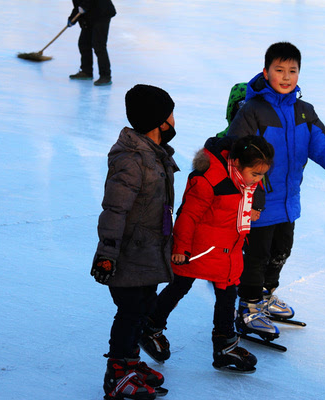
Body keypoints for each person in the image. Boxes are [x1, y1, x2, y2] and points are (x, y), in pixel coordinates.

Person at [226, 41, 325, 340]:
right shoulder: (252, 112)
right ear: (266, 71)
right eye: (279, 70)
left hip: (288, 203)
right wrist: (253, 196)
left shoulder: (303, 113)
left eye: (292, 71)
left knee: (281, 252)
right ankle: (248, 307)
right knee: (256, 257)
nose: (285, 77)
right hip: (258, 204)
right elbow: (235, 157)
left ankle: (265, 295)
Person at [139, 134, 274, 373]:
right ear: (237, 163)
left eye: (262, 174)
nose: (259, 180)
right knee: (180, 285)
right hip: (198, 249)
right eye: (255, 174)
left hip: (227, 250)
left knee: (227, 296)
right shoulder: (210, 179)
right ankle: (150, 325)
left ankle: (224, 345)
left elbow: (236, 203)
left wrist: (249, 212)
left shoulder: (242, 178)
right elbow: (188, 215)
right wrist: (181, 248)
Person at [91, 84, 179, 399]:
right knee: (129, 312)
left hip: (151, 250)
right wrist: (106, 255)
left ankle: (130, 362)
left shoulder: (154, 154)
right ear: (158, 121)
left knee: (142, 308)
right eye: (170, 115)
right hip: (129, 253)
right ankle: (117, 374)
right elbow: (115, 209)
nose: (174, 121)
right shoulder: (131, 158)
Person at [67, 0, 116, 86]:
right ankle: (86, 71)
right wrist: (72, 19)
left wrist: (84, 6)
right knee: (84, 43)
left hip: (101, 12)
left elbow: (84, 5)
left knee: (99, 45)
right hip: (89, 15)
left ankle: (105, 76)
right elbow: (78, 5)